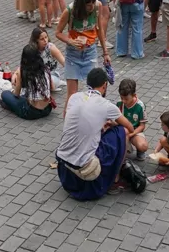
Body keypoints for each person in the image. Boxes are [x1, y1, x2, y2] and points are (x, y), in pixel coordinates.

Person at [55, 67, 131, 200]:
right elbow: (129, 126)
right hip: (86, 172)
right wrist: (113, 124)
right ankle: (115, 179)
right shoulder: (107, 105)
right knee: (122, 131)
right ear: (104, 85)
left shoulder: (74, 97)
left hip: (64, 167)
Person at [56, 0, 110, 110]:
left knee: (95, 91)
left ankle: (92, 117)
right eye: (88, 5)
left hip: (90, 52)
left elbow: (99, 29)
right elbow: (58, 32)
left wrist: (105, 53)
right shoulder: (70, 11)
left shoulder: (97, 6)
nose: (91, 7)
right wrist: (70, 41)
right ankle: (68, 119)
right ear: (82, 4)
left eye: (93, 4)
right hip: (73, 54)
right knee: (72, 95)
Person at [0, 42, 54, 120]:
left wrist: (14, 87)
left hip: (31, 112)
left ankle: (11, 107)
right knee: (24, 97)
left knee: (5, 94)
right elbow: (52, 87)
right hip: (47, 109)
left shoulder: (23, 71)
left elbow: (16, 94)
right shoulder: (45, 68)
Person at [32, 25, 66, 92]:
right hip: (38, 75)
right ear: (36, 40)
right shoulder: (32, 49)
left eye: (46, 37)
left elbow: (64, 62)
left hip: (52, 75)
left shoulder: (51, 48)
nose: (45, 40)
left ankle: (57, 83)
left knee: (43, 82)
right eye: (42, 39)